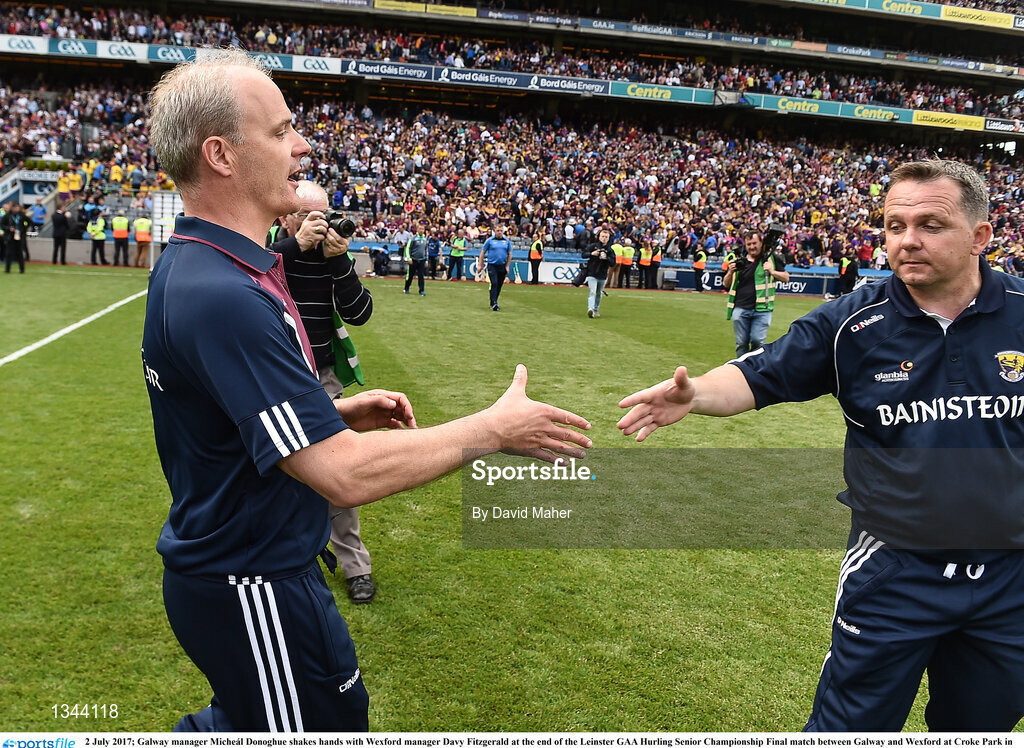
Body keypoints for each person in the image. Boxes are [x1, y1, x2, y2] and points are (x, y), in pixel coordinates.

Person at [143, 49, 591, 733]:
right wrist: (491, 430)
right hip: (253, 581)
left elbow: (219, 419)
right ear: (221, 155)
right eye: (280, 130)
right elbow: (341, 475)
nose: (302, 144)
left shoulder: (203, 264)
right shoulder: (222, 292)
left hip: (246, 573)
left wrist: (332, 410)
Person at [617, 159, 1024, 732]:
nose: (907, 240)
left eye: (931, 224)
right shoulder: (853, 324)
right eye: (893, 225)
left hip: (1011, 575)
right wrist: (696, 394)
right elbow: (762, 372)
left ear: (981, 236)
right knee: (848, 729)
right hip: (896, 570)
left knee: (980, 729)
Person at [267, 180, 378, 605]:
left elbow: (361, 313)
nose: (320, 223)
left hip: (322, 373)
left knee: (338, 467)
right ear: (285, 217)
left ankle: (355, 566)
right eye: (307, 214)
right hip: (275, 372)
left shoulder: (332, 257)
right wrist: (296, 246)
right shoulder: (271, 251)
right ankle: (280, 555)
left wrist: (339, 262)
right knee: (272, 468)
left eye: (325, 214)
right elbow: (258, 273)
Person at [723, 229, 790, 359]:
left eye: (754, 243)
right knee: (741, 343)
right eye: (749, 244)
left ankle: (755, 370)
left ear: (761, 243)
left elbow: (786, 277)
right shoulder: (740, 261)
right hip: (741, 307)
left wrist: (772, 271)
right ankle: (742, 369)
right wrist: (730, 272)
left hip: (763, 308)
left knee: (757, 342)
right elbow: (726, 284)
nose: (752, 247)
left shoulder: (770, 259)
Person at [584, 228, 615, 318]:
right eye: (602, 236)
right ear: (599, 237)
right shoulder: (593, 246)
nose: (604, 238)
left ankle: (596, 309)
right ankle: (590, 309)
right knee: (592, 292)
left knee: (598, 293)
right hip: (592, 273)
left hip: (603, 274)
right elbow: (583, 254)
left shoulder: (610, 250)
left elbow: (613, 263)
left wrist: (606, 258)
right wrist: (592, 254)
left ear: (609, 238)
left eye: (606, 237)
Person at [480, 224, 512, 311]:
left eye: (501, 231)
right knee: (494, 282)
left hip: (502, 265)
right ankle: (494, 303)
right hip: (492, 265)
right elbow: (482, 252)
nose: (499, 232)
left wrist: (507, 266)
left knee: (499, 285)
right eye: (498, 231)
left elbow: (510, 254)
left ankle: (494, 300)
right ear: (495, 231)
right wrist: (480, 264)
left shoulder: (507, 241)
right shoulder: (489, 241)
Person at [2, 202, 30, 273]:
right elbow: (2, 225)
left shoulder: (21, 215)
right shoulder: (7, 216)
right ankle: (7, 270)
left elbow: (28, 222)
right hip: (10, 237)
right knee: (8, 253)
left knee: (20, 253)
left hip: (19, 236)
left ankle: (22, 269)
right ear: (12, 208)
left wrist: (23, 229)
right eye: (16, 207)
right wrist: (8, 229)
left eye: (18, 207)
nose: (17, 209)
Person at [403, 219, 428, 296]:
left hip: (422, 260)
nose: (421, 230)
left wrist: (426, 259)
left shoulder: (425, 239)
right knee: (410, 275)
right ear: (417, 229)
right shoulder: (413, 238)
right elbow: (408, 248)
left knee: (421, 276)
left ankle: (421, 290)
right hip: (413, 260)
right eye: (420, 229)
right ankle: (406, 288)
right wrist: (409, 258)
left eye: (423, 229)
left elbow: (426, 250)